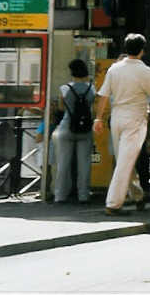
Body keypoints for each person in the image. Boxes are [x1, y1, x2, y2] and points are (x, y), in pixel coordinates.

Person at [94, 34, 150, 215]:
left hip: (116, 117)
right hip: (136, 117)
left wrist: (98, 118)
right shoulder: (145, 71)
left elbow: (104, 95)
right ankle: (113, 204)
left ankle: (138, 195)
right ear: (142, 50)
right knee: (125, 161)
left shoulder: (114, 69)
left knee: (124, 159)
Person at [52, 59, 96, 203]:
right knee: (84, 164)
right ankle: (83, 195)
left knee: (63, 163)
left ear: (71, 72)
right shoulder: (92, 88)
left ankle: (60, 195)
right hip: (86, 128)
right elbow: (93, 108)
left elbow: (61, 107)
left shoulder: (65, 88)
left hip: (67, 127)